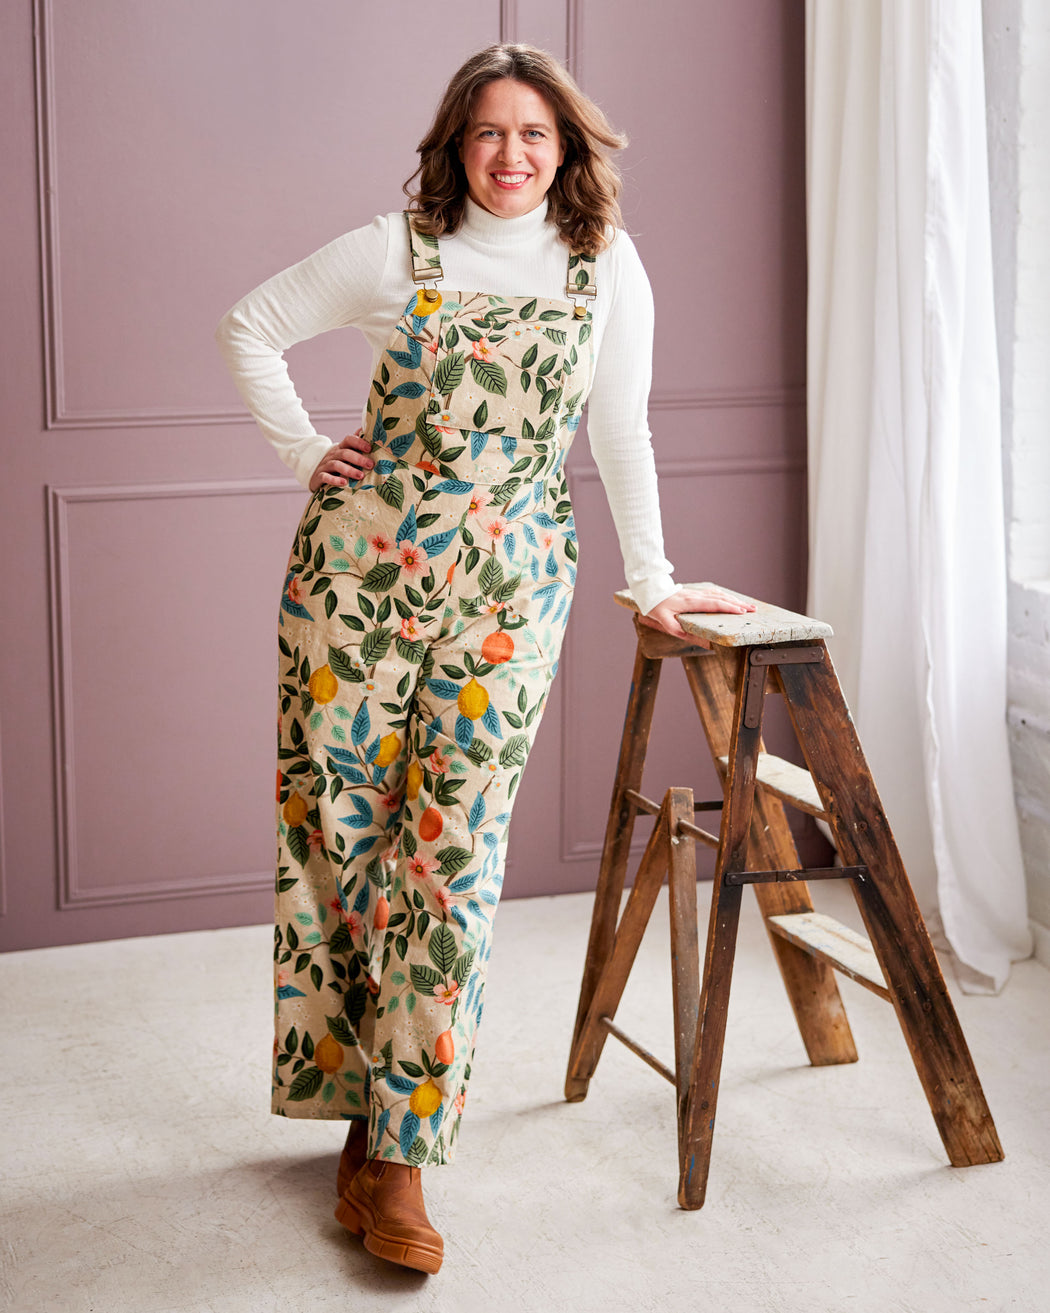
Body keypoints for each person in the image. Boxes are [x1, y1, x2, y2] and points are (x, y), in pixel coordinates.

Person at [216, 42, 752, 1275]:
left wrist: (656, 580)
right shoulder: (394, 250)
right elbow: (250, 327)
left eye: (534, 134)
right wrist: (303, 451)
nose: (512, 154)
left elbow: (622, 430)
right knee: (342, 842)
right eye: (489, 132)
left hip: (509, 600)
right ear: (457, 146)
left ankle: (403, 1155)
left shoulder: (603, 265)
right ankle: (363, 1121)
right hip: (351, 588)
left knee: (449, 857)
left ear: (566, 151)